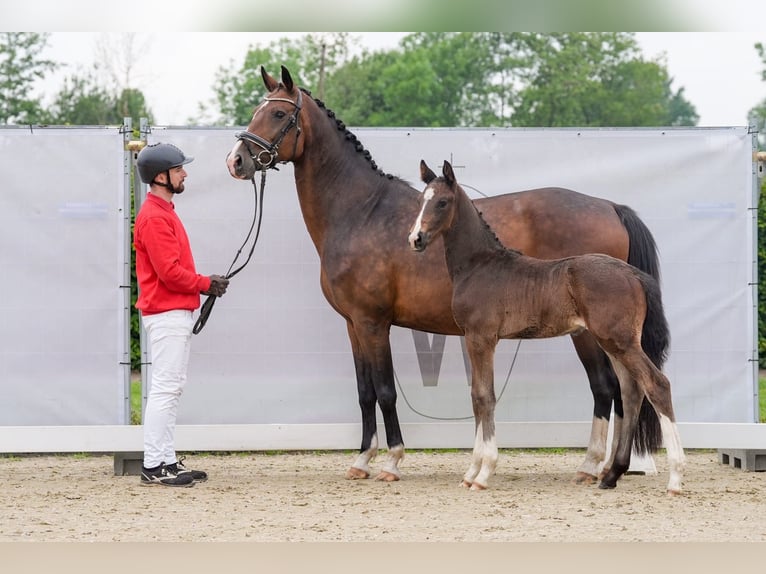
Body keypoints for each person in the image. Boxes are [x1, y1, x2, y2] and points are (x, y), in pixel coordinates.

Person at [133, 142, 229, 487]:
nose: (185, 173)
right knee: (165, 389)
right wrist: (206, 283)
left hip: (174, 310)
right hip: (167, 311)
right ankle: (154, 465)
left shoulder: (163, 212)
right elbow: (169, 272)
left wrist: (204, 284)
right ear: (161, 177)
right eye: (178, 169)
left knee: (171, 388)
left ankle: (166, 460)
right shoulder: (155, 217)